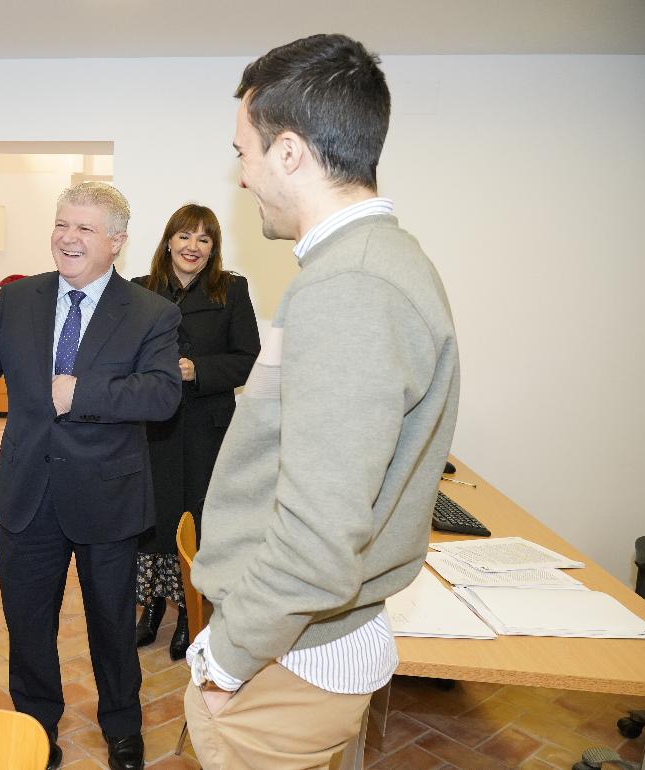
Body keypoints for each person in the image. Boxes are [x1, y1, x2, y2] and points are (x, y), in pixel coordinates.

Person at [184, 34, 461, 769]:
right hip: (307, 640)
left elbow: (318, 538)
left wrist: (228, 660)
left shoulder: (351, 286)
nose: (241, 176)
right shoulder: (367, 265)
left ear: (290, 153)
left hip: (291, 656)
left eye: (243, 151)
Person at [0, 181, 182, 770]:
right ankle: (36, 727)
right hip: (27, 494)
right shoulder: (22, 297)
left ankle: (122, 727)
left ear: (117, 242)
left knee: (111, 624)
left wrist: (82, 393)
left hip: (108, 498)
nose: (68, 237)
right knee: (28, 624)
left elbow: (161, 394)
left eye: (84, 228)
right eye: (62, 224)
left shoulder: (151, 311)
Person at [130, 204, 260, 660]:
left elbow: (248, 359)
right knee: (152, 521)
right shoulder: (139, 291)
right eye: (185, 236)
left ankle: (190, 611)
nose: (193, 247)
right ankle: (150, 609)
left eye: (204, 239)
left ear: (213, 249)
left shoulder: (231, 290)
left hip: (206, 428)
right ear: (168, 241)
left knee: (196, 522)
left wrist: (197, 370)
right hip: (153, 428)